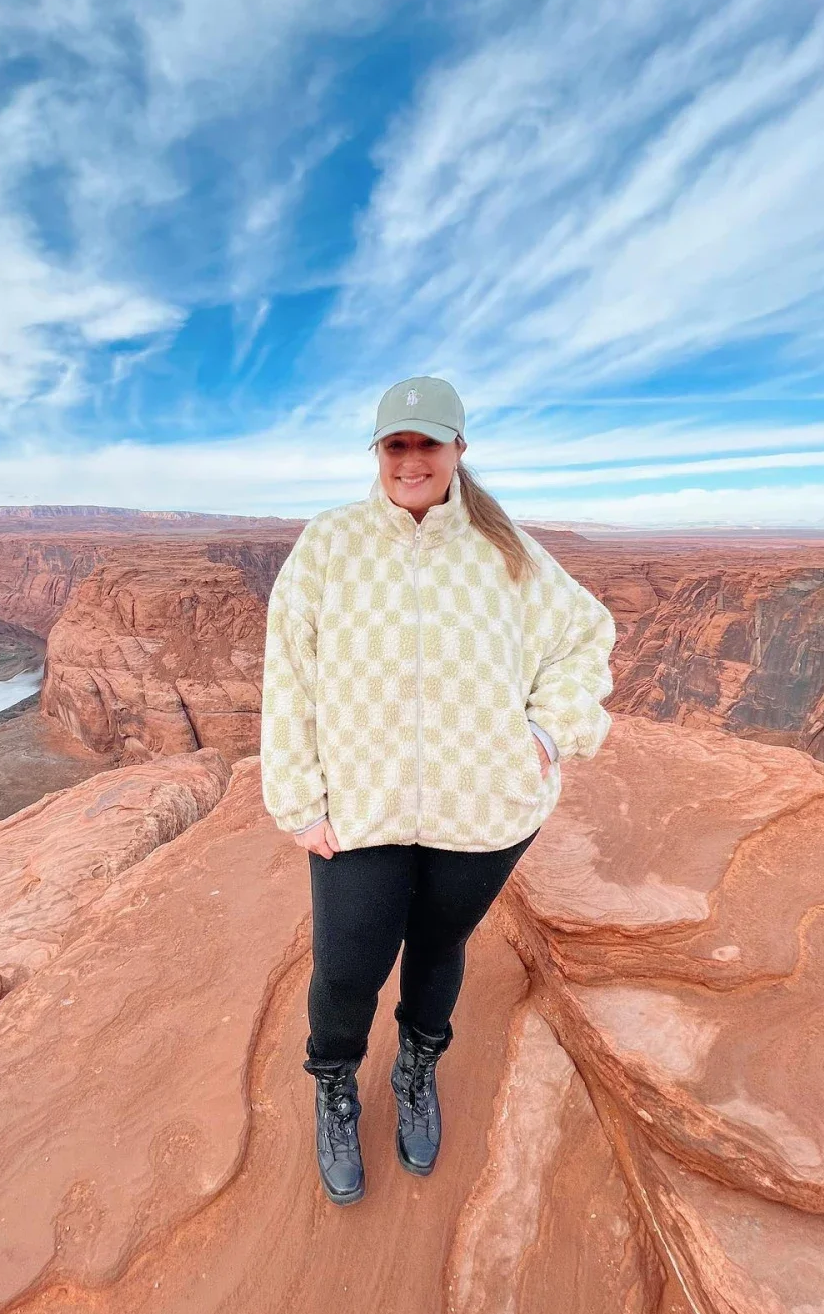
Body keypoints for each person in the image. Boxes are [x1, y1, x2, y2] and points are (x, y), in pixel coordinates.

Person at [259, 376, 617, 1205]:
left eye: (429, 443)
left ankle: (416, 1071)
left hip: (483, 807)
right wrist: (298, 799)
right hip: (363, 803)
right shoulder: (330, 544)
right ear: (378, 453)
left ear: (458, 449)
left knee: (437, 946)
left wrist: (547, 730)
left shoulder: (507, 550)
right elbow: (290, 676)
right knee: (348, 965)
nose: (412, 460)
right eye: (398, 445)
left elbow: (586, 636)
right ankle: (337, 1084)